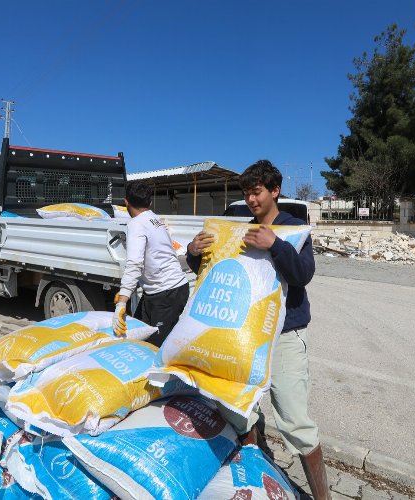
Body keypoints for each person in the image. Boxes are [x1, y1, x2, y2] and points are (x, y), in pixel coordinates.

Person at [186, 160, 330, 499]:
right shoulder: (241, 231)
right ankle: (258, 475)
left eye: (257, 192)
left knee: (294, 420)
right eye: (247, 193)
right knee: (241, 410)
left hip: (285, 337)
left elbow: (303, 275)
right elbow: (215, 268)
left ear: (274, 190)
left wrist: (275, 245)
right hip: (247, 336)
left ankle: (323, 497)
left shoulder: (293, 228)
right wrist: (194, 254)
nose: (251, 199)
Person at [113, 181, 190, 347]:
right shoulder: (156, 219)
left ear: (126, 202)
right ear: (150, 202)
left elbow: (134, 263)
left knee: (155, 346)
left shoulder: (136, 223)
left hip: (167, 293)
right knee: (138, 333)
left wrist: (122, 301)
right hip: (163, 290)